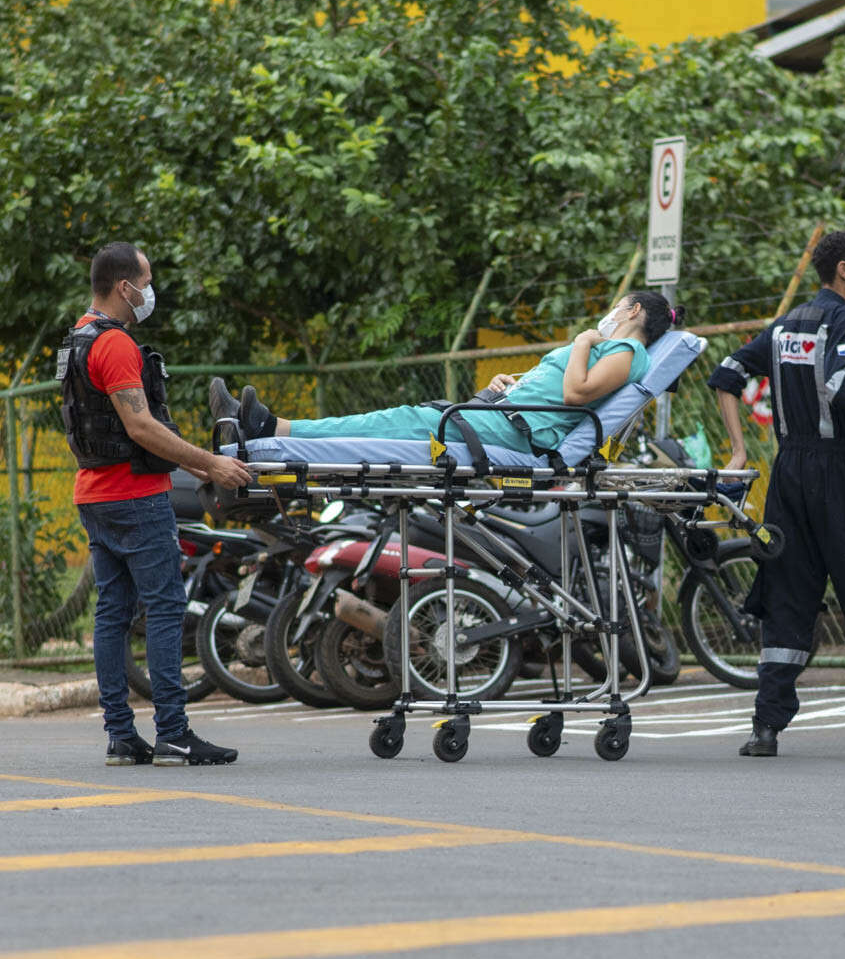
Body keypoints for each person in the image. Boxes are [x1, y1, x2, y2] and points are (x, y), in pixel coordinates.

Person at [707, 230, 845, 757]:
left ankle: (766, 729)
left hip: (787, 473)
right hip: (837, 472)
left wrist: (737, 450)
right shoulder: (843, 321)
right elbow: (844, 387)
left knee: (788, 594)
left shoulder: (785, 325)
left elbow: (726, 374)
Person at [59, 242, 254, 766]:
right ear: (125, 287)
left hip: (95, 495)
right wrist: (210, 465)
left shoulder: (78, 338)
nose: (150, 292)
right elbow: (140, 426)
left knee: (113, 614)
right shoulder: (116, 344)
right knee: (166, 607)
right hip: (134, 497)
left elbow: (126, 429)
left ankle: (121, 737)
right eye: (146, 281)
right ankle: (173, 732)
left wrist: (195, 465)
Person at [209, 291, 676, 456]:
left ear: (633, 310)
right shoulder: (612, 348)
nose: (608, 314)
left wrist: (580, 341)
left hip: (515, 433)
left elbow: (576, 395)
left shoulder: (627, 352)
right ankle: (263, 427)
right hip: (507, 413)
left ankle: (268, 430)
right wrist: (514, 384)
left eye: (616, 307)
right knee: (392, 421)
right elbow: (562, 388)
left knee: (395, 423)